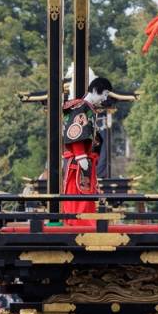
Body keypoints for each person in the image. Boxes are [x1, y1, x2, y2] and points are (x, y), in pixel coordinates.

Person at [61, 76, 114, 221]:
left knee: (86, 198)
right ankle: (78, 227)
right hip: (78, 164)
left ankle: (84, 225)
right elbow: (75, 133)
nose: (105, 98)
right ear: (96, 90)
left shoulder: (87, 108)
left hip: (84, 163)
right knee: (79, 199)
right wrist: (80, 156)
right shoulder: (81, 107)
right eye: (104, 94)